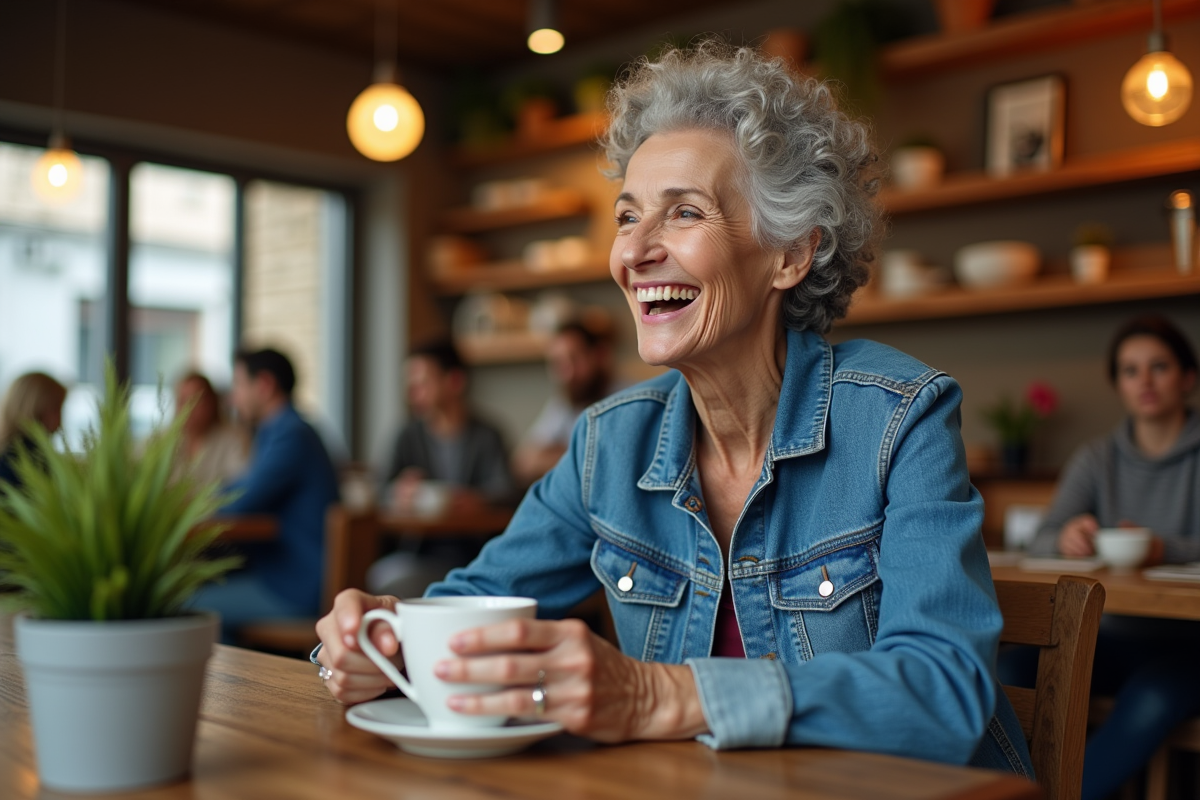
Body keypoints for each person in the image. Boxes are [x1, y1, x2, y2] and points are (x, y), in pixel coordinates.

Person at [313, 44, 1032, 775]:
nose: (636, 251)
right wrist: (377, 641)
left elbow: (946, 691)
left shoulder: (897, 418)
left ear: (790, 254)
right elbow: (472, 606)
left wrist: (661, 696)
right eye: (628, 217)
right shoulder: (608, 444)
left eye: (684, 212)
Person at [1018, 314, 1200, 800]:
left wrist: (1165, 548)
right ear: (1117, 384)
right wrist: (1066, 537)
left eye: (1158, 367)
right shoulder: (1098, 457)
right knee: (1012, 669)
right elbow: (1042, 538)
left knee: (1152, 697)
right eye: (1130, 370)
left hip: (1189, 641)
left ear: (1188, 378)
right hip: (1110, 636)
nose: (1144, 381)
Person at [190, 348, 340, 638]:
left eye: (239, 386)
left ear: (265, 385)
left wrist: (193, 501)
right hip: (290, 575)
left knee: (188, 602)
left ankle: (237, 682)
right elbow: (244, 489)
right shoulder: (284, 430)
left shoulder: (290, 435)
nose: (233, 398)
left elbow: (243, 500)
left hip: (296, 586)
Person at [367, 339, 514, 598]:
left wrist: (476, 500)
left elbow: (507, 492)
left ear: (454, 381)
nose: (414, 393)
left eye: (423, 383)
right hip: (420, 552)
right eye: (411, 386)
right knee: (385, 575)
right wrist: (397, 493)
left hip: (478, 554)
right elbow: (380, 491)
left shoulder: (487, 435)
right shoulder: (407, 436)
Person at [512, 321, 617, 487]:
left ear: (599, 355)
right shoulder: (564, 405)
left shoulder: (631, 397)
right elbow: (525, 462)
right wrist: (585, 454)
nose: (567, 373)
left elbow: (617, 465)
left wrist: (561, 452)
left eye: (575, 359)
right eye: (558, 363)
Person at [172, 371, 249, 487]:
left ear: (212, 403)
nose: (187, 408)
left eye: (195, 401)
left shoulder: (234, 441)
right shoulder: (161, 442)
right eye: (182, 401)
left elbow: (238, 489)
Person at [0, 372, 67, 492]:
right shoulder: (29, 457)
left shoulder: (8, 450)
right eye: (57, 408)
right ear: (36, 409)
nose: (61, 419)